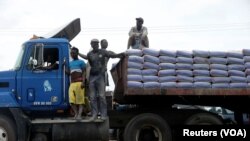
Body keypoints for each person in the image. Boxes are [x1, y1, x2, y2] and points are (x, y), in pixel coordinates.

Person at [87, 38, 124, 121]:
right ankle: (94, 114)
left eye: (96, 43)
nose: (95, 45)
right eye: (93, 44)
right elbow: (91, 63)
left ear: (98, 44)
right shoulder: (89, 54)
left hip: (100, 76)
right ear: (91, 45)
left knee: (102, 96)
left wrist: (119, 55)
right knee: (92, 97)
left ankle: (103, 115)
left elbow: (112, 55)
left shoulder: (103, 52)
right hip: (92, 76)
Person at [65, 47, 86, 120]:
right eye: (71, 53)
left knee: (80, 101)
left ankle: (79, 115)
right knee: (71, 100)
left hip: (79, 82)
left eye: (73, 53)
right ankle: (76, 113)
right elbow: (68, 73)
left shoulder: (82, 62)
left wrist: (83, 82)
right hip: (72, 84)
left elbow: (83, 73)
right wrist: (63, 66)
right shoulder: (70, 63)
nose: (72, 54)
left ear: (77, 53)